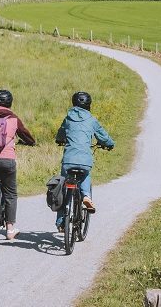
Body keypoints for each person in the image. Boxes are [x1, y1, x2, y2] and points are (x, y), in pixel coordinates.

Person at [0, 89, 36, 241]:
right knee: (10, 193)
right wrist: (31, 142)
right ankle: (10, 229)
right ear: (10, 103)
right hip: (7, 161)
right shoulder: (13, 118)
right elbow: (26, 135)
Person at [55, 90, 114, 231]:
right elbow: (103, 137)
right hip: (84, 160)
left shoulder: (68, 118)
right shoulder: (92, 120)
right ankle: (86, 195)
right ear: (89, 105)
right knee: (85, 173)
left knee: (63, 187)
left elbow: (61, 134)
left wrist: (59, 140)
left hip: (68, 160)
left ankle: (61, 221)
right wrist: (110, 144)